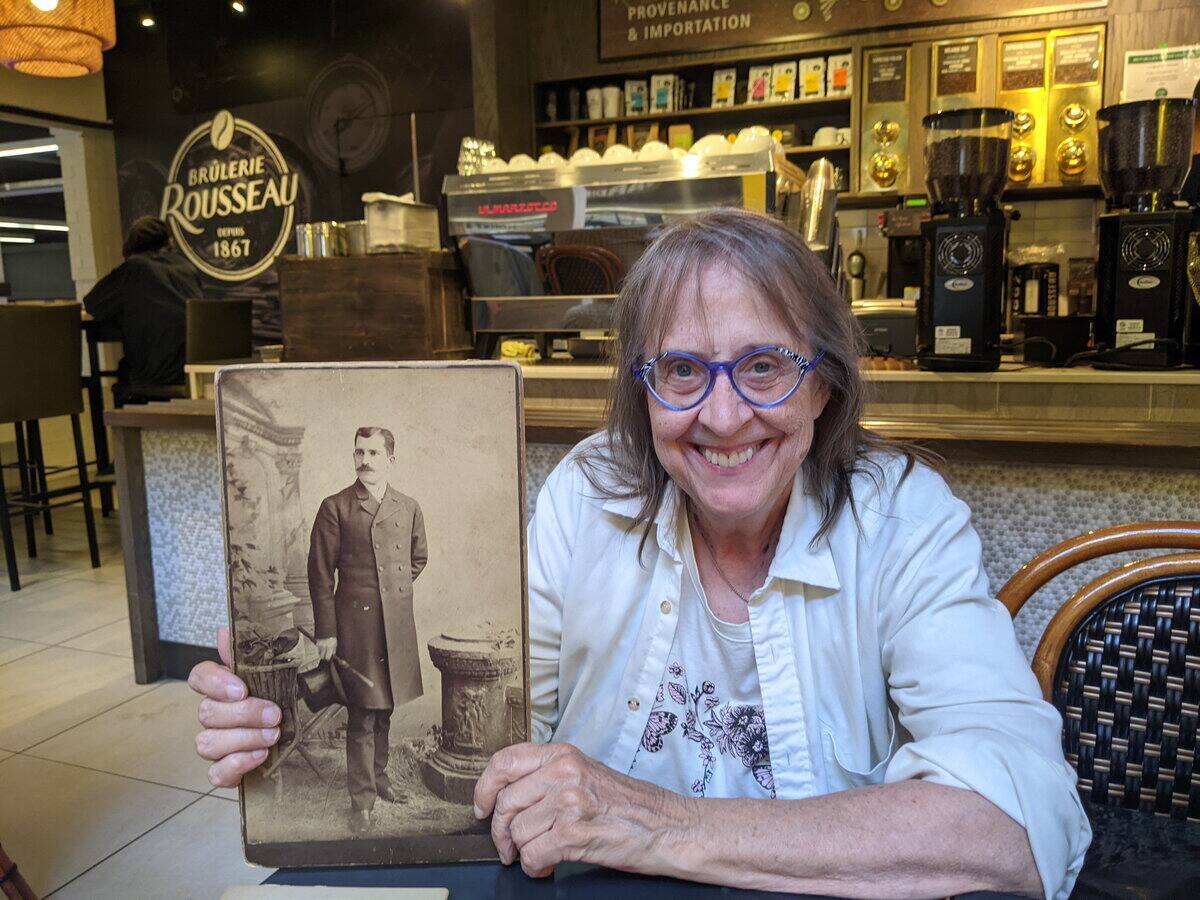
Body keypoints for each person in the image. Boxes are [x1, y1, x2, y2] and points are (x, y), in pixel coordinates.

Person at [190, 209, 1090, 898]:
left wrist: (653, 824)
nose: (725, 416)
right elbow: (501, 727)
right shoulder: (590, 494)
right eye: (683, 371)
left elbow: (1015, 822)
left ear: (824, 384)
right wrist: (299, 707)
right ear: (642, 391)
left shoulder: (901, 518)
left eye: (767, 365)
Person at [307, 426, 428, 834]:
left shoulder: (408, 506)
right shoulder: (335, 507)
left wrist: (393, 596)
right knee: (362, 713)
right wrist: (327, 631)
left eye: (374, 453)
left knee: (386, 707)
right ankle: (361, 801)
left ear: (390, 459)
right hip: (355, 625)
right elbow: (320, 575)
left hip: (393, 625)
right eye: (359, 452)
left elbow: (418, 557)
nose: (365, 460)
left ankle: (380, 779)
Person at [83, 215, 202, 391]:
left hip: (155, 375)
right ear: (168, 241)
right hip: (194, 371)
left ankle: (114, 418)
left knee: (124, 368)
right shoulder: (186, 267)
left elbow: (92, 303)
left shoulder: (134, 267)